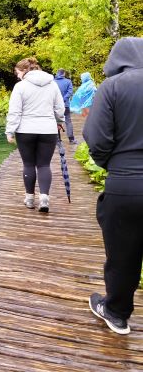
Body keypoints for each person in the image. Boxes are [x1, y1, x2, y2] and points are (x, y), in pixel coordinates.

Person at [84, 37, 143, 336]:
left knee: (122, 254)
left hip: (126, 183)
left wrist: (114, 167)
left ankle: (117, 314)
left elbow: (97, 139)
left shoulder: (112, 87)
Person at [6, 57, 65, 213]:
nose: (17, 76)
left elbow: (15, 111)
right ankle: (44, 198)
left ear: (24, 71)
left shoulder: (20, 87)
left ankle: (30, 199)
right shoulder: (52, 85)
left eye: (17, 72)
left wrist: (10, 130)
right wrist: (59, 121)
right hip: (48, 130)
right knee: (44, 165)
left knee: (28, 164)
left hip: (25, 130)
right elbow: (59, 108)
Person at [54, 69, 77, 144]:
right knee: (68, 121)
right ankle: (71, 139)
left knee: (56, 121)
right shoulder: (68, 81)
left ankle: (58, 139)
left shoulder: (53, 82)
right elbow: (70, 92)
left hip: (56, 105)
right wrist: (63, 99)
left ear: (57, 73)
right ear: (63, 74)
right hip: (65, 105)